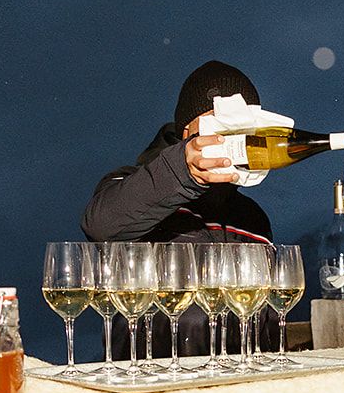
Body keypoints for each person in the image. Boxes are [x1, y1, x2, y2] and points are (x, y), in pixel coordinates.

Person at [82, 60, 276, 357]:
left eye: (243, 128)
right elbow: (101, 225)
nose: (231, 139)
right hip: (151, 387)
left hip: (237, 391)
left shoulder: (252, 216)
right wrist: (181, 172)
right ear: (187, 131)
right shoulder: (131, 185)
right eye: (221, 126)